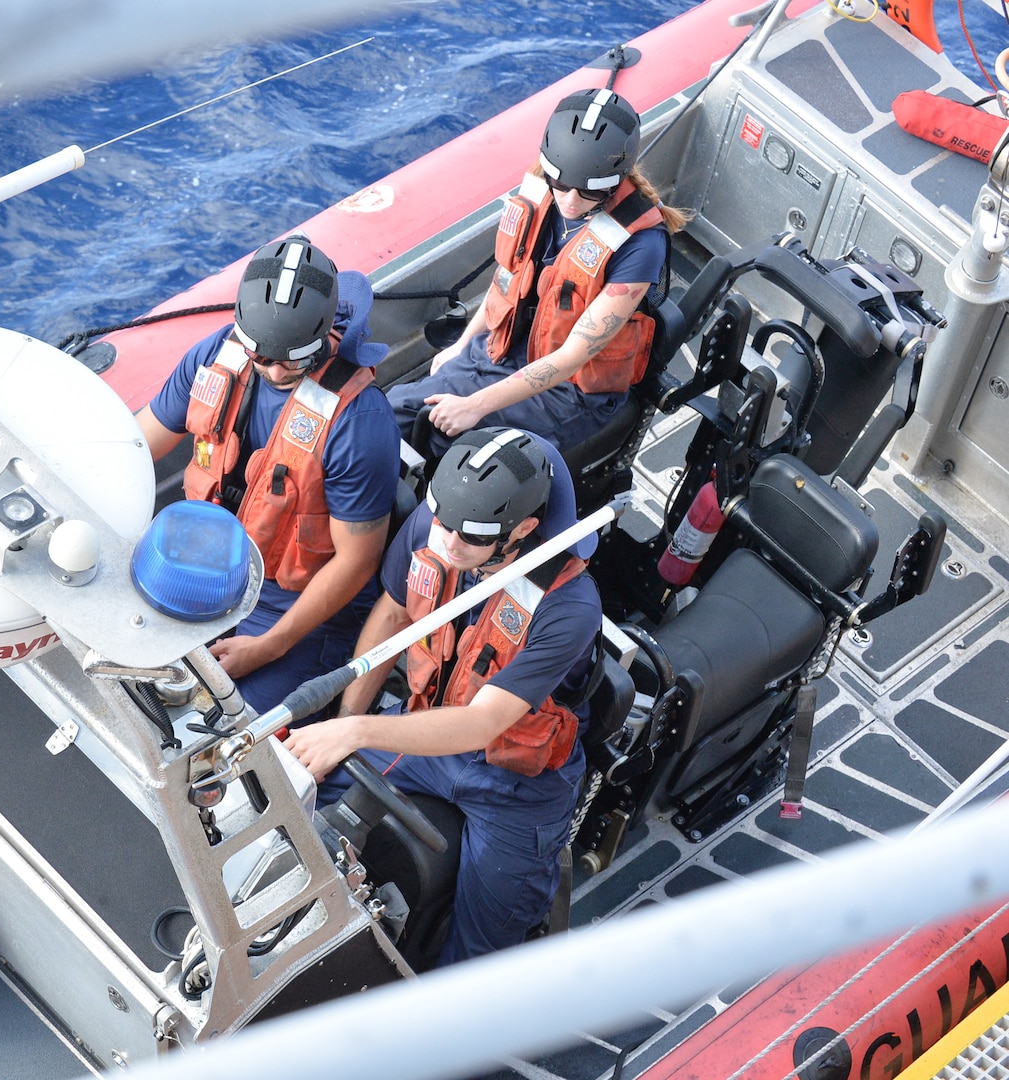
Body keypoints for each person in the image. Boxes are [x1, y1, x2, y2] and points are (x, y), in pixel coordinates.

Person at [283, 427, 602, 965]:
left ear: (522, 529)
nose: (448, 544)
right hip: (418, 729)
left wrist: (352, 732)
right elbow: (391, 615)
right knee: (290, 800)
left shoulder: (571, 609)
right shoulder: (442, 526)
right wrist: (344, 716)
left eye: (471, 537)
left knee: (481, 951)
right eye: (444, 522)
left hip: (511, 782)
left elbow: (482, 724)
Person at [136, 234, 401, 714]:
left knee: (227, 726)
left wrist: (271, 645)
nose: (277, 372)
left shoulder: (360, 425)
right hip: (201, 563)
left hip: (290, 604)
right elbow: (136, 447)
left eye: (295, 359)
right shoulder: (214, 356)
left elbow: (356, 561)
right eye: (262, 357)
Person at [390, 88, 688, 458]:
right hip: (507, 348)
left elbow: (573, 357)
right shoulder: (544, 187)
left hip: (571, 391)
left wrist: (476, 405)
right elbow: (507, 282)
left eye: (588, 192)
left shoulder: (641, 245)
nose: (569, 201)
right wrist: (462, 344)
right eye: (560, 185)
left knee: (453, 446)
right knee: (396, 410)